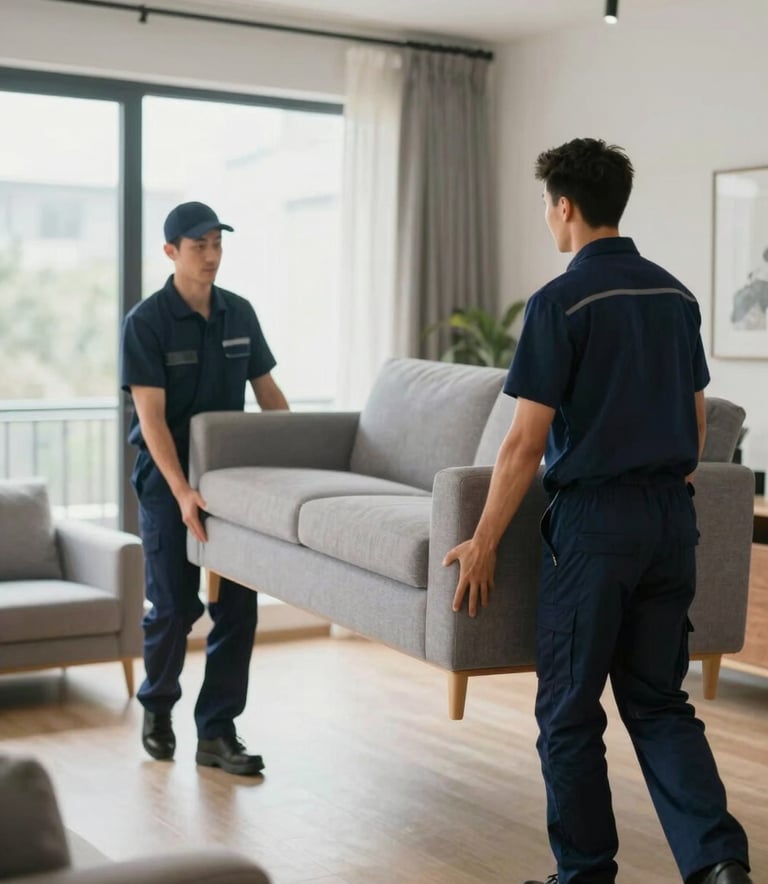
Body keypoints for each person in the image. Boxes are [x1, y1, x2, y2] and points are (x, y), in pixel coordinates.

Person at [444, 139, 753, 884]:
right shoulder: (677, 296)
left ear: (566, 206)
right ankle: (718, 866)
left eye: (548, 206)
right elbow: (698, 416)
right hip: (671, 523)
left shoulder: (560, 303)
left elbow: (524, 444)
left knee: (570, 709)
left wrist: (483, 541)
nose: (548, 219)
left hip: (596, 528)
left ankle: (584, 874)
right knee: (658, 701)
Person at [120, 201, 289, 776]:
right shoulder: (146, 323)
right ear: (172, 252)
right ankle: (158, 705)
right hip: (168, 478)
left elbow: (270, 397)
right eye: (200, 246)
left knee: (238, 607)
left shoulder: (239, 313)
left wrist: (291, 472)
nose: (212, 256)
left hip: (232, 482)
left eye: (218, 244)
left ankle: (217, 731)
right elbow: (152, 420)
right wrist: (183, 492)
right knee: (174, 605)